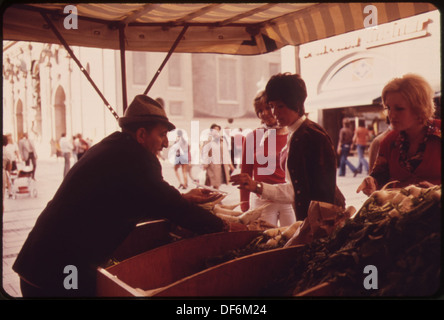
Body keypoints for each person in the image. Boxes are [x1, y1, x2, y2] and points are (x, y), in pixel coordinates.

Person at [13, 94, 232, 298]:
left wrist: (183, 198)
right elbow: (171, 206)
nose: (166, 143)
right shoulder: (136, 159)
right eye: (162, 134)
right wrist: (223, 226)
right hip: (59, 273)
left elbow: (146, 196)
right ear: (142, 135)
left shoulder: (114, 147)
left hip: (39, 264)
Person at [231, 73, 344, 221]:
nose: (274, 112)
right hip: (309, 216)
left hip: (319, 220)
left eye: (280, 106)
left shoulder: (309, 136)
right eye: (271, 106)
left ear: (295, 104)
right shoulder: (296, 133)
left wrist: (256, 187)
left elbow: (301, 191)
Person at [357, 74, 441, 196]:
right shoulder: (389, 141)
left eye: (399, 109)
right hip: (400, 213)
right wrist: (371, 183)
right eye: (388, 108)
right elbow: (379, 176)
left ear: (419, 108)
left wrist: (437, 192)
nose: (391, 115)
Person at [240, 90, 296, 227]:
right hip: (261, 200)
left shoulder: (292, 135)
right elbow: (245, 173)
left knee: (291, 239)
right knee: (264, 240)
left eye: (267, 108)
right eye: (259, 110)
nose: (264, 113)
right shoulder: (252, 137)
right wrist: (244, 203)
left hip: (287, 200)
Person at [202, 124, 234, 189]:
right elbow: (205, 152)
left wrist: (230, 164)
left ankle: (215, 194)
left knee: (217, 183)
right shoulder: (208, 141)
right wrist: (205, 163)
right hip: (212, 165)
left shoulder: (222, 140)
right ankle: (212, 194)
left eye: (217, 130)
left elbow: (226, 153)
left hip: (221, 165)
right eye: (214, 130)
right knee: (213, 182)